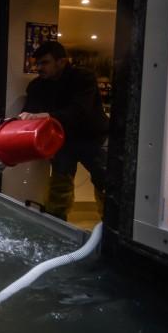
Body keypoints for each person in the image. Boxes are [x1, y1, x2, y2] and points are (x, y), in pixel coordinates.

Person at [18, 41, 109, 221]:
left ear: (61, 62)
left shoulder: (83, 78)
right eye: (38, 63)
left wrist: (46, 116)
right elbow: (29, 112)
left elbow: (79, 111)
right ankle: (57, 228)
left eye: (44, 62)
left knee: (105, 183)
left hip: (92, 138)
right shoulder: (37, 85)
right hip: (61, 140)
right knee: (59, 187)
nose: (39, 67)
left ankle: (110, 231)